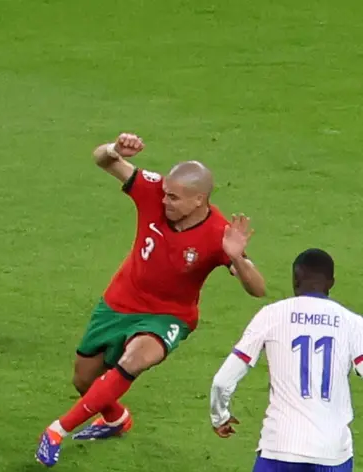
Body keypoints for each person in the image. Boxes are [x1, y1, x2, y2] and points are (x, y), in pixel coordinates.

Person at [35, 132, 267, 467]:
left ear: (199, 199)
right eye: (165, 193)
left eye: (174, 198)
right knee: (84, 380)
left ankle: (56, 431)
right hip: (119, 302)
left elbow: (257, 289)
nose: (164, 202)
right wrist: (115, 149)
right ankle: (116, 419)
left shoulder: (219, 234)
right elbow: (102, 159)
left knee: (135, 358)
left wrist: (239, 258)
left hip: (168, 317)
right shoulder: (154, 189)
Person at [210, 248, 361, 472]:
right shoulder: (353, 323)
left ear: (294, 279)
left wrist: (219, 416)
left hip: (279, 448)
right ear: (331, 282)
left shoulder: (271, 315)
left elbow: (222, 381)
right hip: (332, 454)